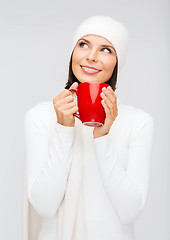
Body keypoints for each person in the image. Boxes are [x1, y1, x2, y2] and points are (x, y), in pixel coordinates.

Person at [23, 16, 154, 240]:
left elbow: (130, 211)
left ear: (117, 62)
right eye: (83, 44)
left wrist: (102, 137)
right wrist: (64, 129)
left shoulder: (138, 122)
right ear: (72, 53)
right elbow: (44, 206)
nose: (91, 57)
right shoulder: (40, 116)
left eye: (106, 49)